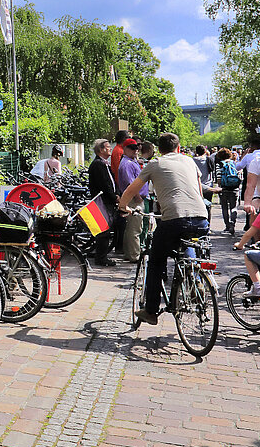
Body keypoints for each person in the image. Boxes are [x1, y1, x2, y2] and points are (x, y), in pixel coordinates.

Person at [117, 133, 208, 325]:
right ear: (179, 147)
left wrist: (123, 205)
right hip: (201, 218)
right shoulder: (189, 161)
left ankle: (150, 310)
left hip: (173, 218)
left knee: (156, 260)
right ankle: (193, 277)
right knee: (186, 240)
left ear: (159, 149)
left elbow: (132, 189)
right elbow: (199, 191)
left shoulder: (155, 163)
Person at [87, 138, 119, 267]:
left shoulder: (103, 163)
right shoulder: (98, 165)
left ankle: (102, 255)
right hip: (102, 201)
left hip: (106, 200)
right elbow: (104, 184)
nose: (110, 149)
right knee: (103, 230)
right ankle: (101, 257)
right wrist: (114, 197)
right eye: (107, 147)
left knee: (106, 230)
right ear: (100, 150)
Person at [113, 139, 145, 261]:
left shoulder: (131, 161)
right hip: (134, 199)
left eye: (136, 148)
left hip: (134, 198)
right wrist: (137, 196)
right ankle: (134, 255)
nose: (135, 150)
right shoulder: (127, 163)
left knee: (132, 228)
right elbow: (130, 183)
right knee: (134, 229)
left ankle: (130, 252)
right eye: (132, 148)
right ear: (125, 149)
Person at [215, 148, 241, 236]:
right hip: (234, 188)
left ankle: (227, 225)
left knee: (224, 208)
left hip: (224, 189)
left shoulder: (219, 164)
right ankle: (232, 223)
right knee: (233, 207)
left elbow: (218, 178)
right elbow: (239, 175)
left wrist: (219, 187)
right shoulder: (234, 163)